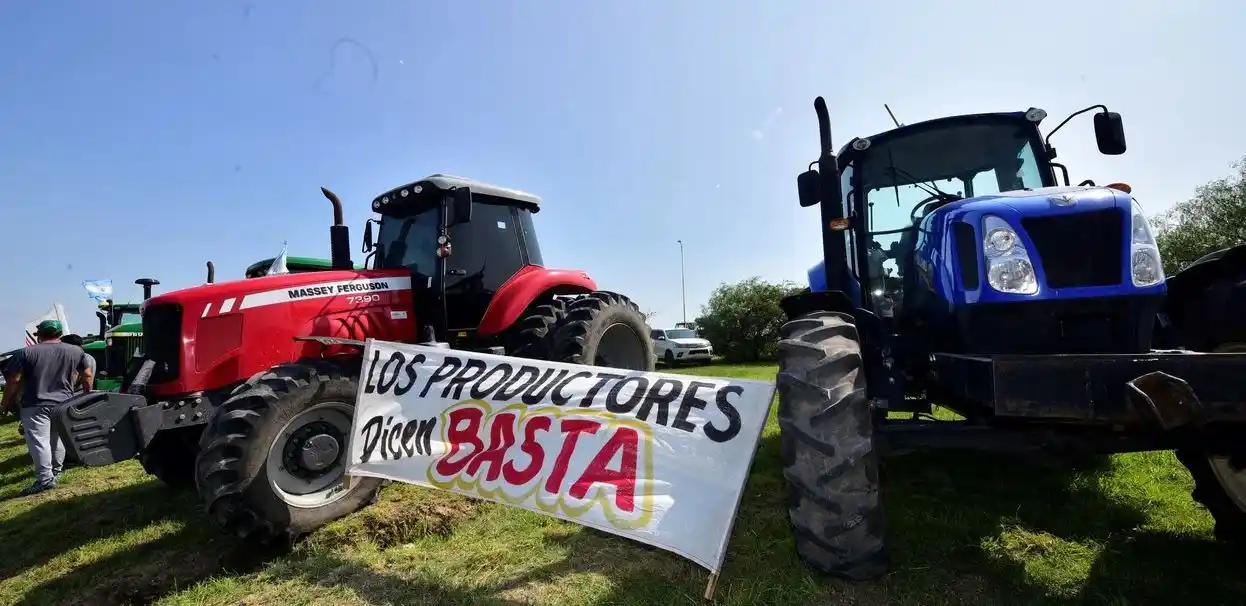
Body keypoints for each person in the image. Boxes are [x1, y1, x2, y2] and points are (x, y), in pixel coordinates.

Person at [0, 319, 93, 495]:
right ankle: (56, 472)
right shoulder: (76, 351)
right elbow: (87, 375)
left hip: (35, 403)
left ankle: (45, 479)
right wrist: (88, 395)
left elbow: (14, 380)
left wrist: (4, 404)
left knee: (39, 441)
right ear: (59, 334)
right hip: (64, 402)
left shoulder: (25, 353)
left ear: (40, 335)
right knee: (56, 439)